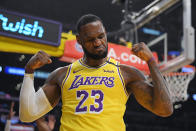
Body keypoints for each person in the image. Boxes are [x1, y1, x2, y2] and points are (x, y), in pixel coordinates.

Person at [19, 14, 173, 131]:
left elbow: (165, 109)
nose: (98, 43)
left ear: (105, 32)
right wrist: (29, 71)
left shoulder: (126, 73)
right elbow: (27, 114)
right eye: (91, 39)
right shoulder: (62, 74)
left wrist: (151, 62)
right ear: (79, 40)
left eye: (101, 36)